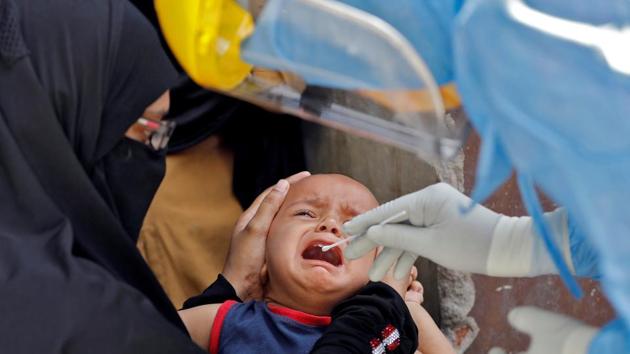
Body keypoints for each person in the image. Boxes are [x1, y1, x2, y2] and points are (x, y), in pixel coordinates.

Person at [178, 174, 453, 354]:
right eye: (306, 213)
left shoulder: (384, 337)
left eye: (354, 227)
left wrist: (406, 309)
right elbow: (152, 331)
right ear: (263, 256)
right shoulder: (224, 320)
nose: (330, 226)